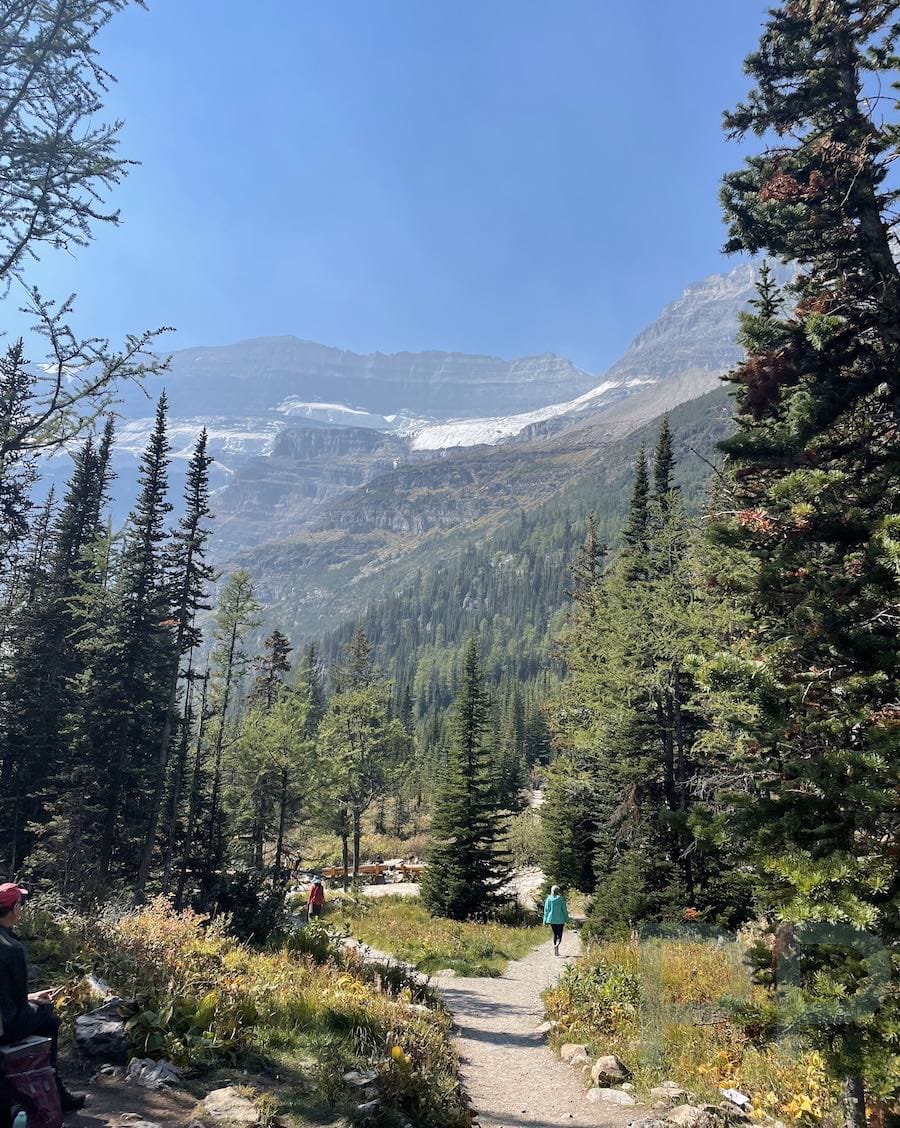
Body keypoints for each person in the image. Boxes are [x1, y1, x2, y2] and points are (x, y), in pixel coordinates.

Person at [0, 883, 85, 1113]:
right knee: (49, 1017)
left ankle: (44, 1087)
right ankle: (53, 1092)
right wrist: (34, 1000)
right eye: (21, 904)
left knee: (42, 1014)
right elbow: (18, 1005)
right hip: (5, 1027)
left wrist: (30, 997)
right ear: (15, 909)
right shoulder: (13, 949)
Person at [543, 884, 570, 956]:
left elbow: (546, 910)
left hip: (552, 919)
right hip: (560, 919)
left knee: (555, 933)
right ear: (558, 891)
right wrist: (567, 919)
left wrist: (544, 920)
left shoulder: (548, 899)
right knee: (559, 933)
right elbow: (564, 910)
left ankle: (555, 947)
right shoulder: (561, 899)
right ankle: (558, 944)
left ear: (552, 891)